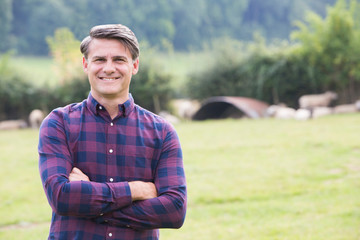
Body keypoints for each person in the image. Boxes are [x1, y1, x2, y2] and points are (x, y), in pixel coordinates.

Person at [38, 24, 187, 240]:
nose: (108, 68)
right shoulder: (59, 123)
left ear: (134, 65)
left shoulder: (162, 132)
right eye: (99, 59)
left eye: (119, 60)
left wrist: (91, 203)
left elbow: (174, 211)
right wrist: (135, 190)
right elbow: (61, 197)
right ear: (85, 64)